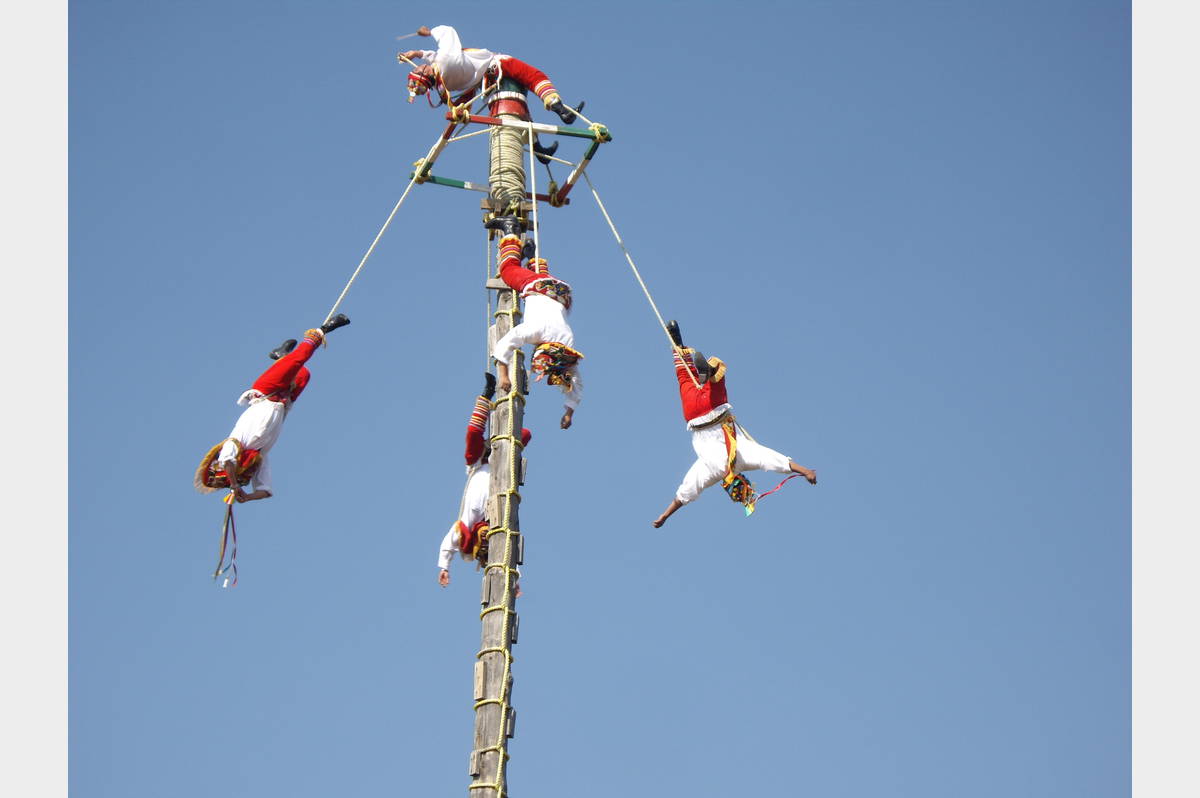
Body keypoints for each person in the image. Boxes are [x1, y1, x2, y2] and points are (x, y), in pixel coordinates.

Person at [651, 321, 817, 527]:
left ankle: (681, 347)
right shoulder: (744, 458)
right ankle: (709, 373)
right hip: (715, 410)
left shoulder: (710, 472)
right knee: (708, 381)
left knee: (685, 377)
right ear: (742, 479)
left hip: (696, 415)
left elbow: (686, 492)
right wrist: (804, 470)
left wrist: (665, 516)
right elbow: (774, 460)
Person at [194, 314, 350, 503]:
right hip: (283, 402)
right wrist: (246, 497)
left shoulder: (235, 443)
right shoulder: (260, 455)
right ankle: (281, 356)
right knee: (303, 375)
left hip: (265, 390)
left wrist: (234, 484)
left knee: (297, 360)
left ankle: (324, 328)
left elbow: (227, 460)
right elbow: (265, 490)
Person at [485, 215, 582, 429]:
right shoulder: (534, 331)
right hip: (538, 286)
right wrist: (503, 376)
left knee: (540, 288)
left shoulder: (567, 349)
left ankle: (531, 254)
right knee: (508, 270)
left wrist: (569, 413)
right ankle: (510, 228)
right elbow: (505, 344)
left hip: (561, 293)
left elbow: (574, 381)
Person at [438, 374, 532, 587]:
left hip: (479, 464)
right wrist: (515, 580)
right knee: (524, 434)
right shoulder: (497, 518)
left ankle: (486, 395)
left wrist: (444, 566)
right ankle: (505, 414)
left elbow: (448, 544)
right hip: (501, 464)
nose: (485, 534)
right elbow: (510, 546)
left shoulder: (467, 523)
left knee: (472, 433)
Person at [400, 24, 581, 126]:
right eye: (417, 69)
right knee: (534, 77)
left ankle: (538, 149)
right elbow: (447, 32)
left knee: (516, 113)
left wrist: (418, 53)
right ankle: (560, 109)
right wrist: (429, 32)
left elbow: (437, 63)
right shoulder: (446, 59)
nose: (418, 66)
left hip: (484, 86)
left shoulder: (444, 85)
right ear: (425, 72)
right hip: (497, 65)